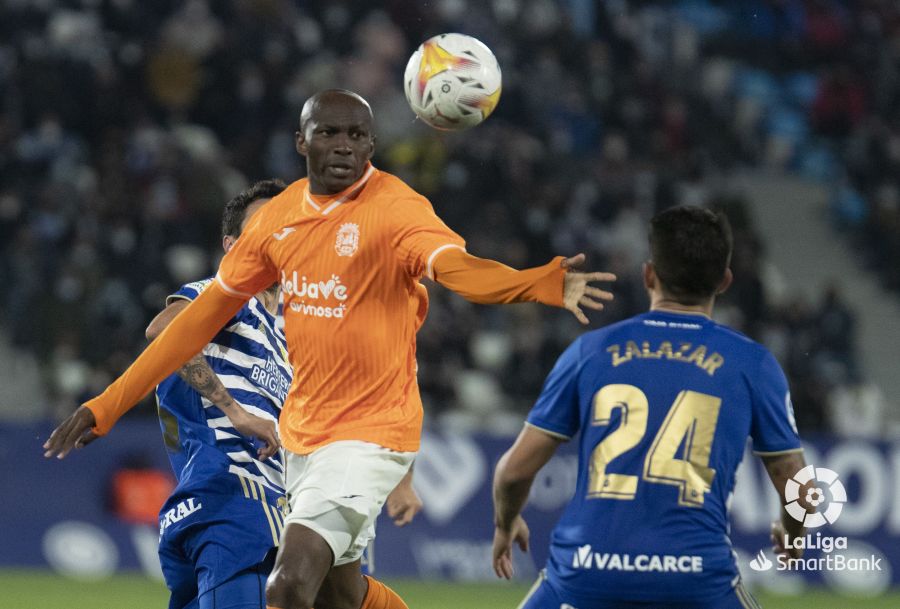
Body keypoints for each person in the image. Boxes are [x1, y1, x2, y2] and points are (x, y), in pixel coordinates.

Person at [44, 88, 615, 609]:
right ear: (302, 141)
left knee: (288, 586)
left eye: (357, 135)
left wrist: (537, 282)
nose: (344, 146)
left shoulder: (396, 209)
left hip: (369, 436)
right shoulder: (278, 220)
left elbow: (455, 269)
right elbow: (193, 324)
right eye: (328, 133)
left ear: (372, 143)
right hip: (305, 437)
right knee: (340, 596)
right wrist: (108, 405)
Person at [492, 206, 808, 609]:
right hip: (696, 580)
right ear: (725, 281)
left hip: (586, 572)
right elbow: (801, 487)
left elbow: (513, 471)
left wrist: (505, 524)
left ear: (648, 275)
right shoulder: (753, 364)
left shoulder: (590, 352)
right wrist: (792, 533)